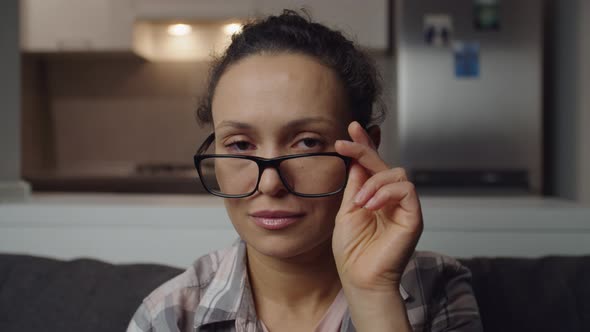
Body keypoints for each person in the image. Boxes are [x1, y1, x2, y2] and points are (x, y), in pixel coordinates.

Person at [127, 10, 482, 332]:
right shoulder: (168, 316)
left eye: (307, 143)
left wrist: (374, 294)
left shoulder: (438, 289)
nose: (269, 184)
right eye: (239, 145)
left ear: (365, 149)